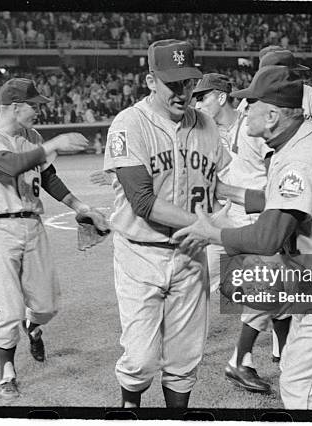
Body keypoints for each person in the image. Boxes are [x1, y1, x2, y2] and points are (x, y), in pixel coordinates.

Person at [173, 65, 312, 410]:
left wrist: (211, 233)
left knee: (300, 389)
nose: (246, 109)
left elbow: (268, 237)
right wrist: (229, 190)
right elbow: (291, 200)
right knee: (298, 366)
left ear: (272, 115)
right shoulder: (302, 138)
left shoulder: (298, 159)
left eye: (252, 103)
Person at [103, 39, 231, 408]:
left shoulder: (205, 125)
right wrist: (204, 225)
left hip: (190, 257)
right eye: (172, 83)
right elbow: (142, 201)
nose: (182, 92)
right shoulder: (129, 124)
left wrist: (252, 201)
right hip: (141, 254)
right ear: (150, 81)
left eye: (188, 83)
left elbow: (219, 183)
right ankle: (130, 408)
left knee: (184, 359)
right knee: (140, 361)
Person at [0, 78, 108, 400]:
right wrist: (54, 143)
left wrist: (79, 206)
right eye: (35, 105)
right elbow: (9, 167)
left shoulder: (31, 136)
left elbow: (46, 176)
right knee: (8, 309)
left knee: (46, 305)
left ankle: (34, 326)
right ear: (16, 106)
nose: (40, 111)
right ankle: (7, 371)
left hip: (32, 224)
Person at [192, 73, 273, 393]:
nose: (198, 103)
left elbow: (272, 176)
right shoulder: (208, 130)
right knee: (190, 282)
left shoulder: (252, 127)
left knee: (269, 291)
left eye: (204, 97)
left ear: (221, 98)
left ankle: (242, 360)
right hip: (223, 218)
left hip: (254, 220)